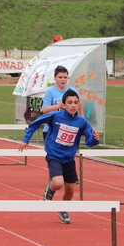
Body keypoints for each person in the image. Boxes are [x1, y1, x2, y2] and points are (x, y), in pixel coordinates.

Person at [18, 89, 99, 224]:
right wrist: (26, 139)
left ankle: (63, 209)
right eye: (69, 102)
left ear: (79, 105)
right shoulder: (55, 116)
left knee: (70, 190)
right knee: (58, 183)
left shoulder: (82, 122)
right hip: (54, 155)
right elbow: (34, 124)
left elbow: (90, 142)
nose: (73, 105)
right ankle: (50, 188)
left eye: (75, 103)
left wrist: (95, 139)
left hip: (69, 159)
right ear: (63, 104)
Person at [40, 65, 83, 135]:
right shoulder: (50, 91)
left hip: (69, 130)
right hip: (52, 130)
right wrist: (59, 105)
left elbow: (79, 103)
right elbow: (45, 110)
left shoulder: (73, 91)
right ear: (55, 78)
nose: (63, 79)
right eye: (60, 77)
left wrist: (81, 118)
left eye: (65, 77)